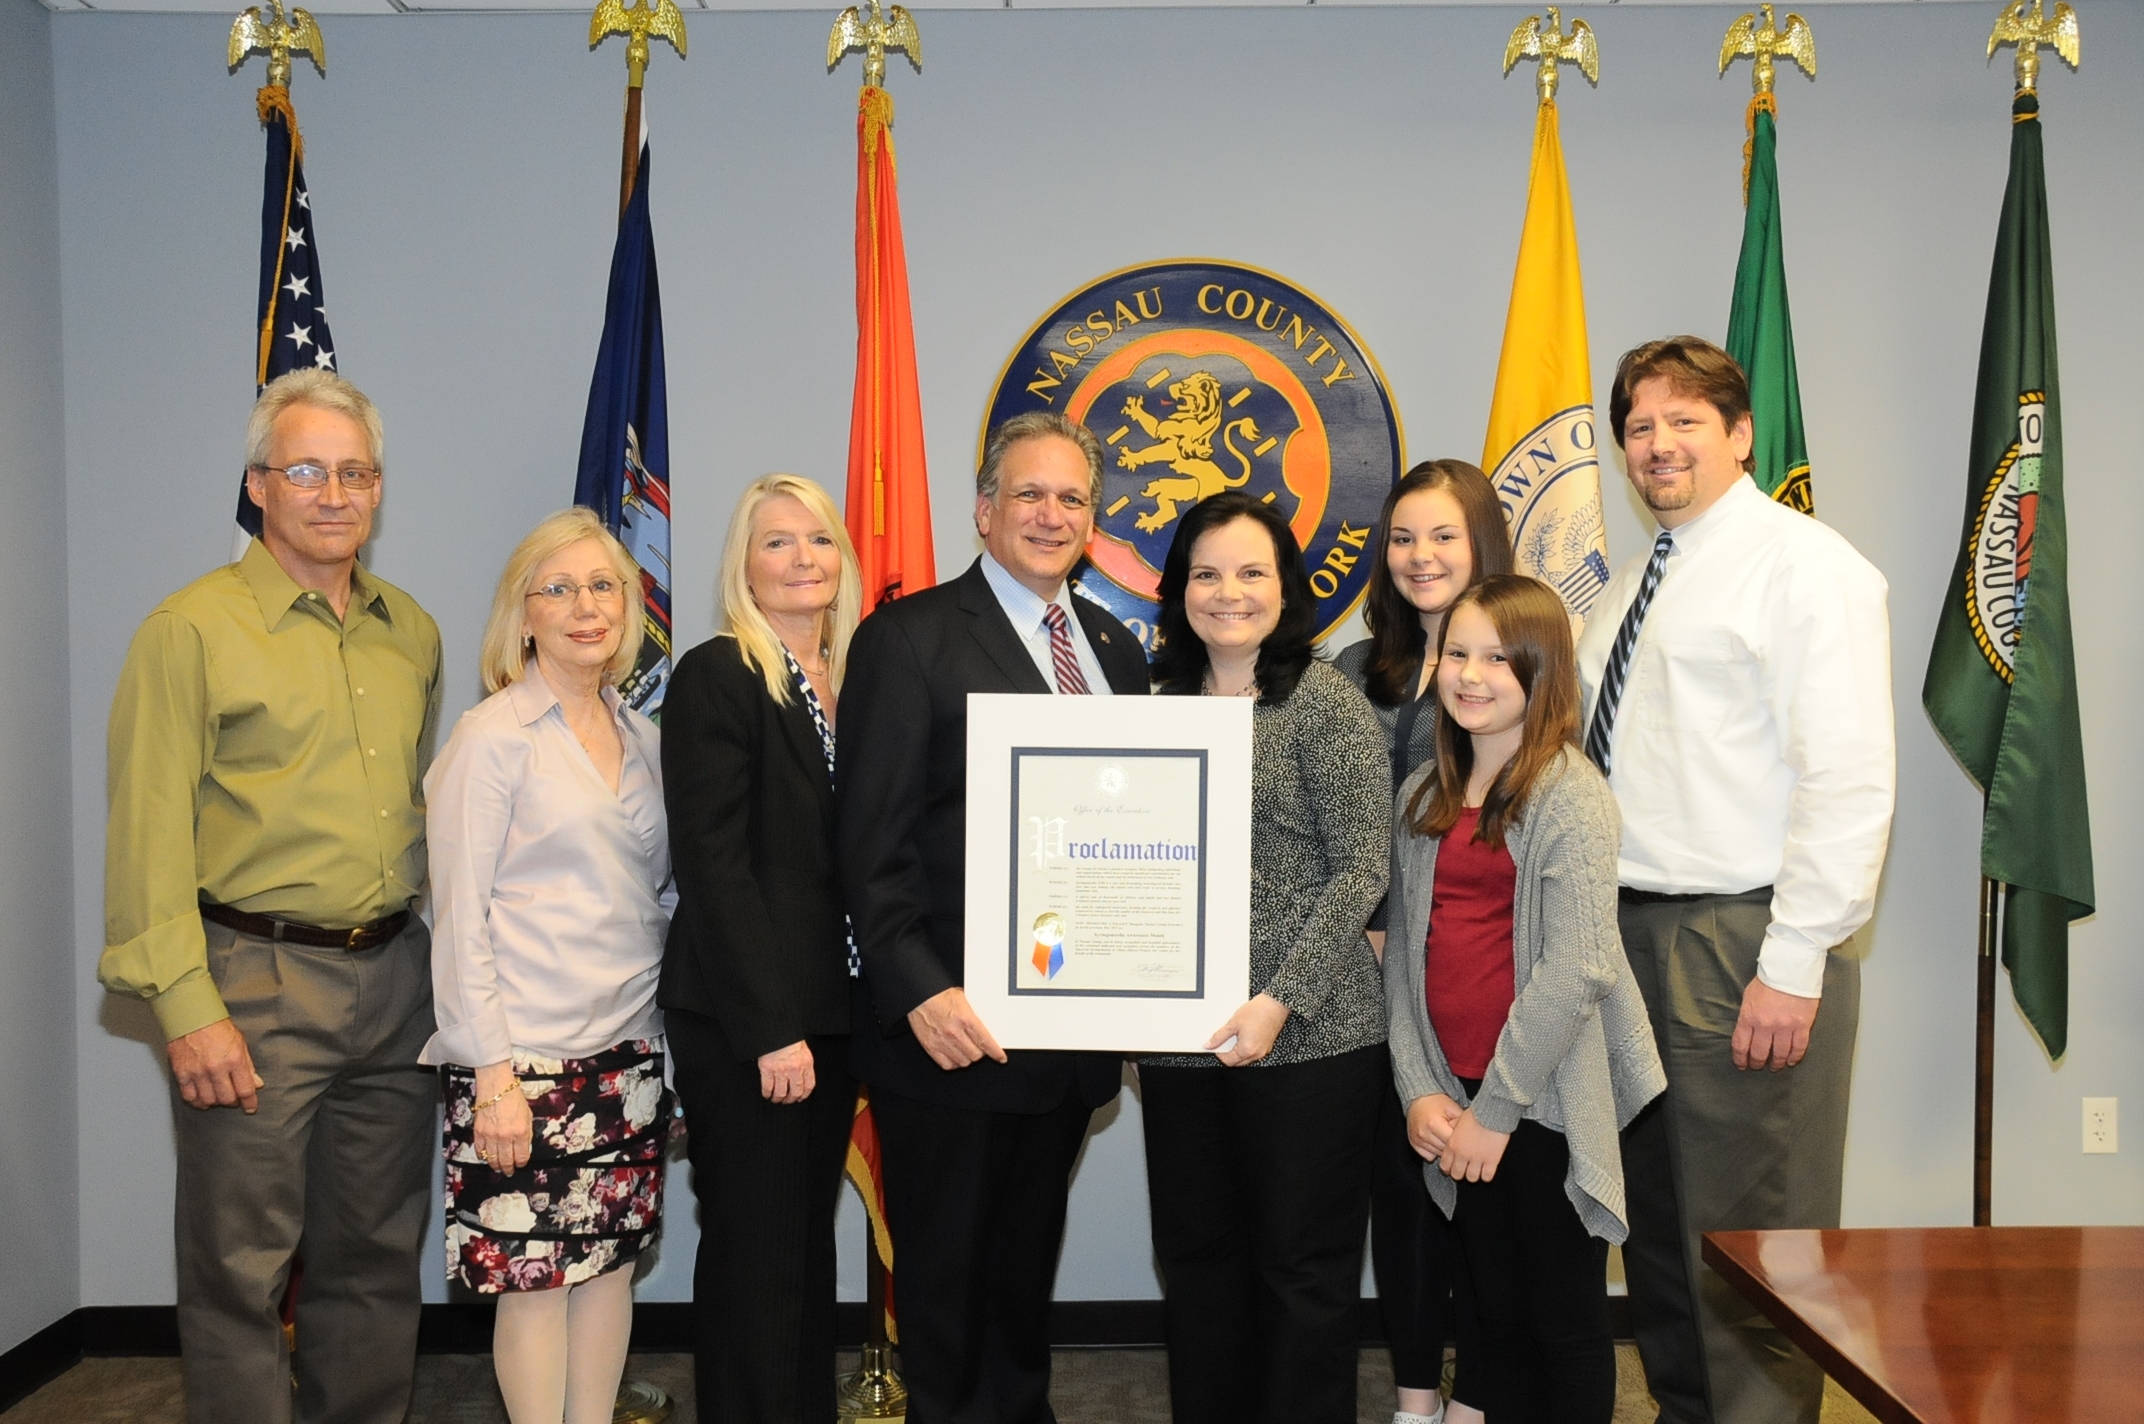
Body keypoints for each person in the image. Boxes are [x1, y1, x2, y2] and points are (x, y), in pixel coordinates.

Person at [99, 369, 443, 1424]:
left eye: (354, 471)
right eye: (305, 470)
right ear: (258, 485)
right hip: (251, 979)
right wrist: (186, 1006)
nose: (332, 492)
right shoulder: (190, 628)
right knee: (240, 1270)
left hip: (394, 980)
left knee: (375, 1262)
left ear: (378, 489)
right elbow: (146, 828)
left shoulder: (410, 632)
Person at [1579, 337, 1895, 1424]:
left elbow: (1847, 779)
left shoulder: (1806, 567)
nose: (1656, 444)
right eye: (1637, 425)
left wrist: (1792, 961)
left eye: (1682, 421)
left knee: (1755, 1245)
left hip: (1741, 941)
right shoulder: (1632, 579)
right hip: (1627, 937)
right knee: (1659, 1226)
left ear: (1739, 434)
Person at [837, 412, 1150, 1424]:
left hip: (1066, 1036)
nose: (1050, 513)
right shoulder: (907, 638)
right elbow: (867, 842)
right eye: (1029, 493)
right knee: (946, 1280)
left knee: (1020, 1272)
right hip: (953, 1031)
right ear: (983, 510)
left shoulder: (1110, 647)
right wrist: (919, 988)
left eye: (1071, 498)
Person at [1387, 574, 1666, 1424]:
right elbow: (1402, 955)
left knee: (1562, 1323)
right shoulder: (1422, 797)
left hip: (1541, 1102)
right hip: (1455, 1094)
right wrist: (1419, 1090)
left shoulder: (1570, 794)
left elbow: (1579, 967)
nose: (1470, 675)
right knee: (1487, 1311)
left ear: (1541, 672)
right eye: (1456, 654)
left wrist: (1496, 1110)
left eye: (1496, 659)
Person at [1140, 491, 1391, 1424]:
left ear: (1287, 587)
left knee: (1301, 1273)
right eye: (1206, 573)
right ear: (1179, 591)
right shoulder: (1155, 708)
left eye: (1252, 571)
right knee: (1198, 1263)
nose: (1228, 592)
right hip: (1181, 1043)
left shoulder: (1323, 701)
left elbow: (1365, 863)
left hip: (1311, 1040)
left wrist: (1278, 999)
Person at [422, 507, 675, 1424]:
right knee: (533, 1284)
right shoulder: (492, 738)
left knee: (609, 1273)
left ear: (629, 604)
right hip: (521, 1067)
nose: (584, 607)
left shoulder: (646, 743)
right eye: (558, 588)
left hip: (629, 1056)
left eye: (603, 585)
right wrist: (489, 1076)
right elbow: (459, 920)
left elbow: (659, 902)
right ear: (523, 613)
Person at [660, 474, 863, 1423]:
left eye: (817, 539)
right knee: (756, 1257)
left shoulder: (858, 678)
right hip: (754, 1025)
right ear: (743, 565)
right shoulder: (718, 673)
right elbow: (714, 866)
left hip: (838, 1014)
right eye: (776, 542)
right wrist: (772, 1029)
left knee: (803, 1252)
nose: (801, 559)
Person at [1335, 459, 1514, 1424]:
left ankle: (1476, 1400)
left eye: (1442, 534)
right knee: (1400, 1203)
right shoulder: (1350, 675)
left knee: (1488, 1202)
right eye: (1402, 537)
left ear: (1482, 539)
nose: (1420, 556)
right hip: (1374, 996)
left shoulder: (1526, 669)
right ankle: (1414, 1401)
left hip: (1486, 988)